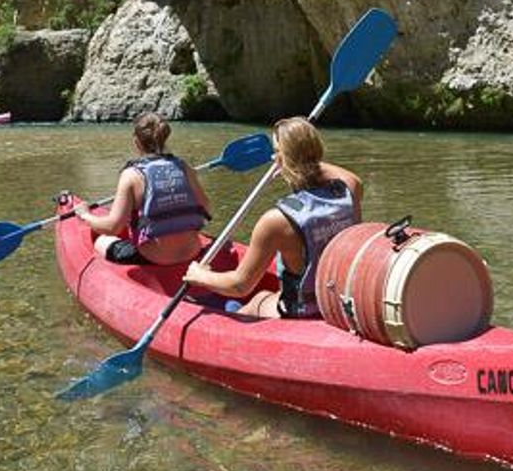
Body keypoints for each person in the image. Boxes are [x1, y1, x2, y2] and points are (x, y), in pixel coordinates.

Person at [184, 116, 362, 318]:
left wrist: (200, 275)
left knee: (256, 301)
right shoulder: (350, 190)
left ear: (280, 158)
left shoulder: (276, 221)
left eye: (277, 153)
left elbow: (240, 285)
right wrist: (301, 156)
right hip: (336, 302)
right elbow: (336, 172)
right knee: (264, 295)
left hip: (304, 311)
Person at [76, 112, 211, 266]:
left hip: (155, 258)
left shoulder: (131, 175)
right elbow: (205, 207)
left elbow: (112, 227)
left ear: (136, 142)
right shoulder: (184, 167)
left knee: (102, 241)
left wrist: (85, 215)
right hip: (192, 252)